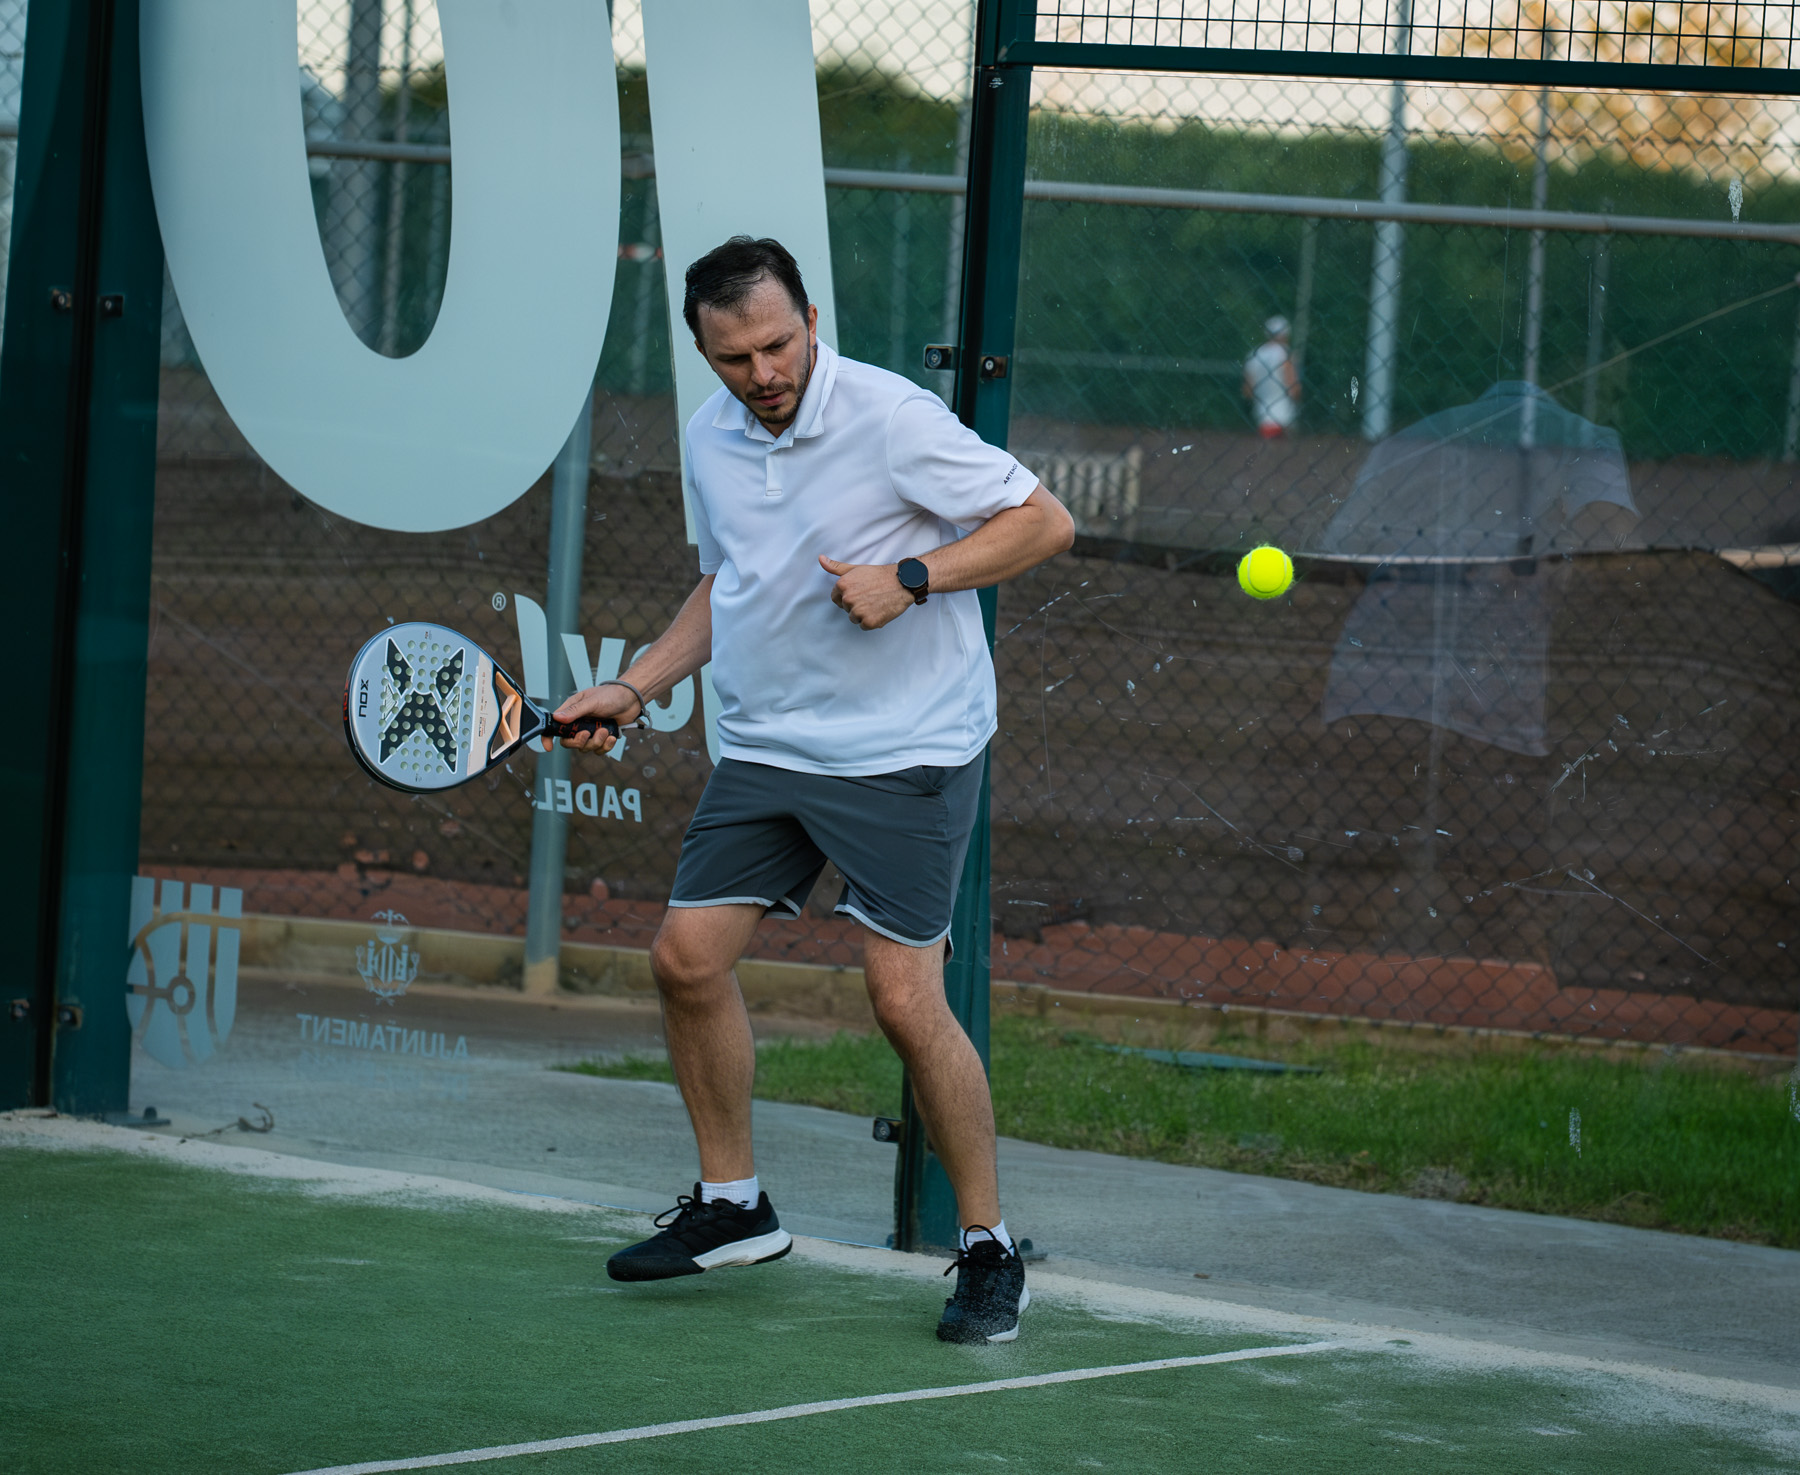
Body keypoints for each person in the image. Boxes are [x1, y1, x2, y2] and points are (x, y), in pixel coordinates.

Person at [553, 236, 1074, 1344]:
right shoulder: (712, 435)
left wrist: (915, 577)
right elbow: (727, 584)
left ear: (811, 318)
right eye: (735, 357)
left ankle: (989, 1250)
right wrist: (635, 684)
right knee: (685, 959)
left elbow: (1044, 521)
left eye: (779, 344)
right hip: (768, 745)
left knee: (903, 999)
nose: (765, 374)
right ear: (705, 352)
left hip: (906, 748)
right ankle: (734, 1206)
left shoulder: (891, 419)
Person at [1243, 314, 1301, 438]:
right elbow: (1293, 387)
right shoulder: (1285, 353)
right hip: (1285, 418)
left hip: (1262, 417)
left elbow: (1248, 391)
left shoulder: (1254, 355)